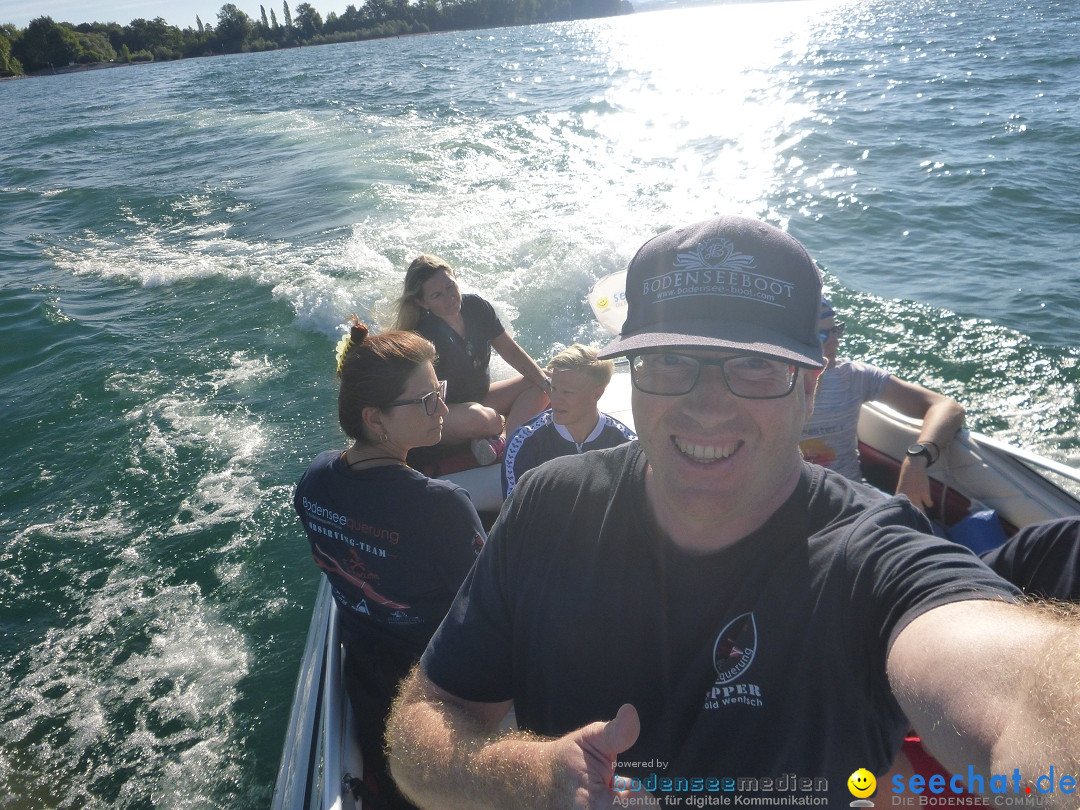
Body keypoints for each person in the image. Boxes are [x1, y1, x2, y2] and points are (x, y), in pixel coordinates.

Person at [385, 215, 1080, 809]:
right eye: (671, 362)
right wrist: (534, 777)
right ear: (636, 380)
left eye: (755, 365)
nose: (706, 404)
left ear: (811, 385)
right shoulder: (549, 506)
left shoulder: (874, 561)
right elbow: (423, 725)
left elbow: (1018, 691)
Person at [293, 321, 485, 810]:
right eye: (426, 401)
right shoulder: (440, 506)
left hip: (367, 671)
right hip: (438, 686)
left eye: (438, 391)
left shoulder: (315, 480)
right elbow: (487, 613)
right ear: (375, 420)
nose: (443, 406)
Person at [799, 296, 967, 514]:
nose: (834, 342)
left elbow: (947, 407)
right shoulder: (766, 387)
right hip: (794, 512)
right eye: (822, 335)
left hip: (855, 504)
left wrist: (916, 459)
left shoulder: (854, 377)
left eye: (836, 330)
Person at [393, 254, 551, 465]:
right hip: (444, 413)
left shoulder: (476, 307)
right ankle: (494, 428)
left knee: (544, 380)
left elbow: (510, 351)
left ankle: (503, 442)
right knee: (482, 419)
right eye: (437, 295)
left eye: (450, 287)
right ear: (422, 302)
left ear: (456, 277)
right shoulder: (423, 335)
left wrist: (546, 384)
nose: (450, 298)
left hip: (481, 398)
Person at [501, 343, 637, 497]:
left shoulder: (626, 446)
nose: (555, 399)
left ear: (596, 395)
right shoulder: (523, 444)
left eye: (567, 392)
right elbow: (517, 516)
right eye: (553, 388)